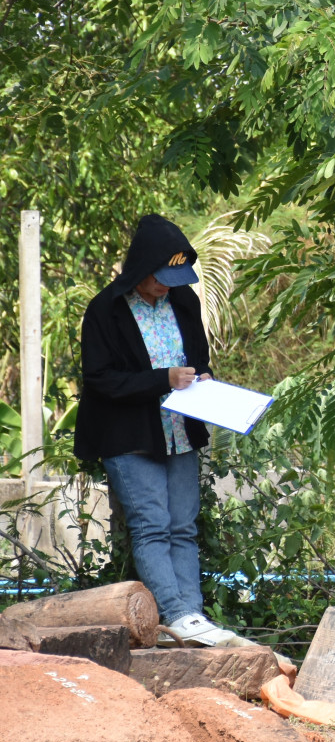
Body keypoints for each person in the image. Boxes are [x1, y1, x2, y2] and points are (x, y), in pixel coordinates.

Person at [76, 215, 240, 646]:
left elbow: (198, 360)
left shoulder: (184, 301)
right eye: (161, 278)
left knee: (183, 527)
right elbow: (100, 379)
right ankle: (174, 616)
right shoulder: (106, 309)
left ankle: (192, 620)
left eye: (176, 278)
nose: (168, 286)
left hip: (179, 433)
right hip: (129, 438)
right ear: (141, 268)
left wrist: (203, 379)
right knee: (152, 526)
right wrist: (162, 380)